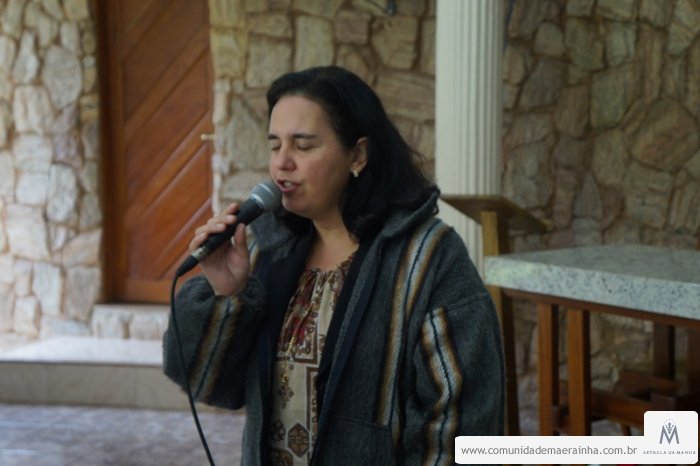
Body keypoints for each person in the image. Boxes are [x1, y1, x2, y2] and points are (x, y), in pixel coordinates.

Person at [163, 65, 504, 466]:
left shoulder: (427, 258)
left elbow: (462, 421)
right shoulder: (266, 250)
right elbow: (206, 383)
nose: (282, 163)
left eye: (303, 146)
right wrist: (227, 292)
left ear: (357, 155)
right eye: (274, 145)